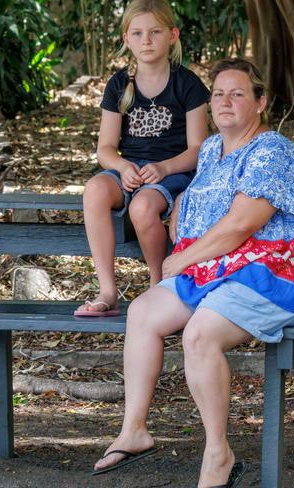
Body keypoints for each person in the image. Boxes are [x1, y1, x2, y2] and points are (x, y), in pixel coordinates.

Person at [92, 58, 294, 487]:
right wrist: (182, 226)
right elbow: (193, 201)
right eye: (218, 94)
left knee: (198, 334)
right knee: (143, 312)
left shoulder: (273, 151)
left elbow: (242, 224)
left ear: (260, 103)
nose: (225, 101)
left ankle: (218, 454)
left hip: (273, 270)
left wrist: (181, 258)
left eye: (237, 94)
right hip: (215, 268)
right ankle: (135, 430)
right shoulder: (209, 151)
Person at [74, 0, 209, 317]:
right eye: (137, 33)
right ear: (126, 39)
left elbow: (199, 150)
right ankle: (108, 290)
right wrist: (122, 166)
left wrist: (164, 168)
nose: (146, 40)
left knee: (143, 206)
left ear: (172, 35)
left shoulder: (188, 85)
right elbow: (105, 148)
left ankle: (158, 284)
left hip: (173, 172)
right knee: (94, 190)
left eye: (155, 32)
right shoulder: (119, 85)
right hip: (129, 170)